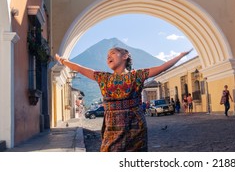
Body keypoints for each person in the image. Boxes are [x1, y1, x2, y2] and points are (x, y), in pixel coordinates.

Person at [55, 47, 192, 152]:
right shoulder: (104, 77)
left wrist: (180, 56)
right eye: (107, 56)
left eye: (113, 53)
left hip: (135, 127)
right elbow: (79, 68)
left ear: (125, 56)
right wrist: (63, 61)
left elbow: (162, 68)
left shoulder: (136, 75)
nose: (108, 56)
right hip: (112, 128)